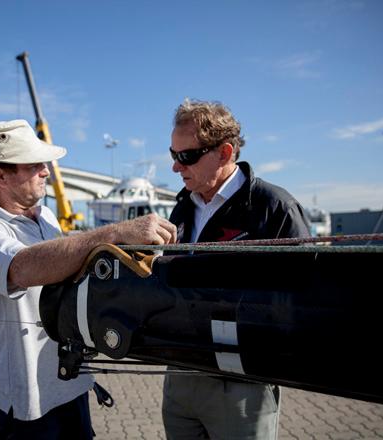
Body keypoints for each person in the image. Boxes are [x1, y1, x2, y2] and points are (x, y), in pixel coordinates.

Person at [0, 119, 176, 440]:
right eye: (34, 164)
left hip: (70, 383)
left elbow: (68, 267)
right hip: (24, 403)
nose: (47, 170)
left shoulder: (45, 216)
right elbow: (22, 269)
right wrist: (115, 232)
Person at [162, 99, 311, 440]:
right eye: (173, 154)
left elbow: (300, 298)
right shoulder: (181, 208)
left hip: (242, 383)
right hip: (181, 378)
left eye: (186, 156)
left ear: (225, 152)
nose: (175, 167)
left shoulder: (275, 208)